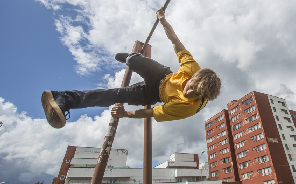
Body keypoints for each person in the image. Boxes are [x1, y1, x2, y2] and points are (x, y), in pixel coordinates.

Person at [41, 7, 221, 128]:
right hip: (162, 75)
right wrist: (163, 20)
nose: (189, 93)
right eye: (190, 88)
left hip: (153, 94)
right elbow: (175, 41)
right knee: (134, 61)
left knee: (113, 95)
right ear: (193, 77)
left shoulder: (186, 108)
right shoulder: (191, 67)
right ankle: (130, 58)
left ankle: (63, 99)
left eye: (196, 95)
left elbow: (150, 112)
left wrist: (125, 113)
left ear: (202, 97)